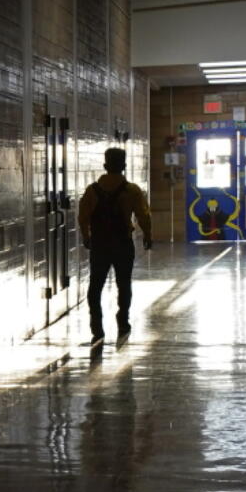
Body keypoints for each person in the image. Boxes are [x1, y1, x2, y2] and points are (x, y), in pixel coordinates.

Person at [78, 148, 152, 346]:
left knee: (95, 287)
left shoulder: (92, 191)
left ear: (105, 166)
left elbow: (83, 216)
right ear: (124, 166)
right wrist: (148, 235)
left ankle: (97, 327)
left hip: (100, 244)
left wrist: (87, 236)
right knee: (124, 284)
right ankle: (123, 321)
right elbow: (144, 215)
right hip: (122, 243)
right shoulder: (132, 190)